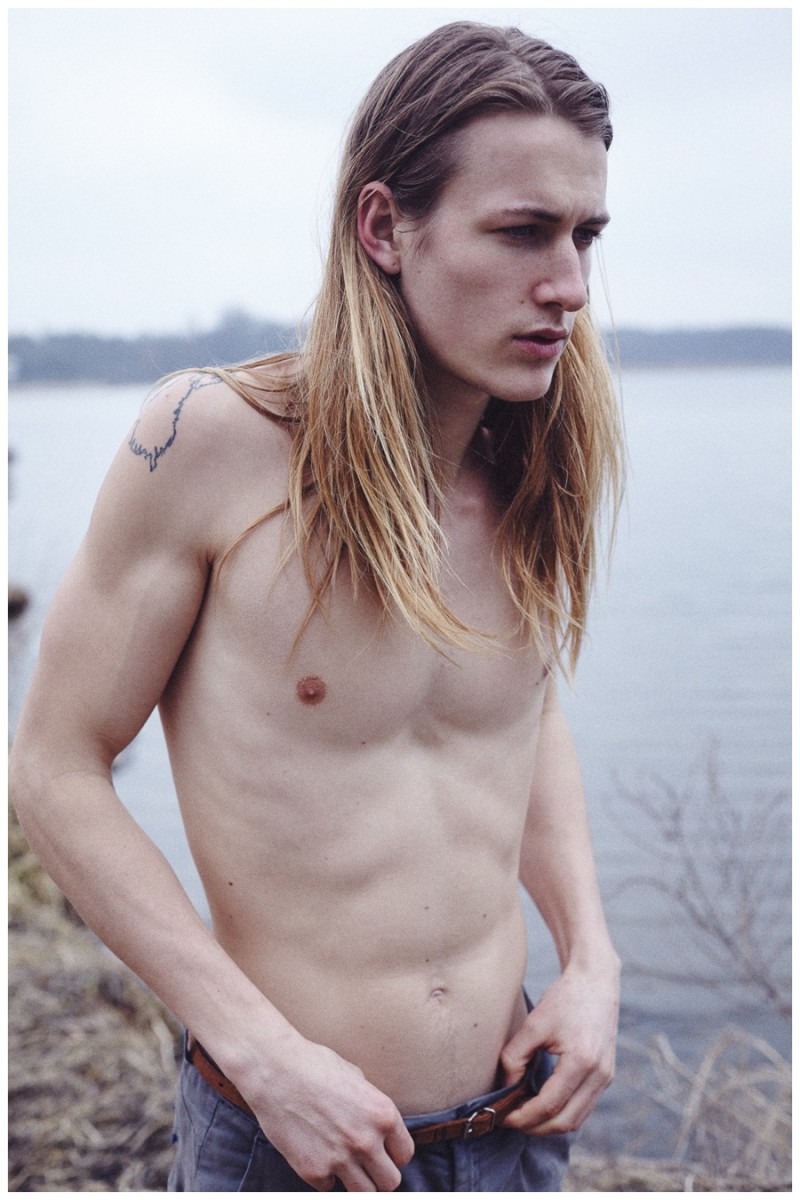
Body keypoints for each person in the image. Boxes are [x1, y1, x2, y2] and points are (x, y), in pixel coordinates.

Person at [10, 20, 624, 1193]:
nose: (569, 287)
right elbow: (53, 768)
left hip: (510, 1127)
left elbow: (514, 715)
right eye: (521, 233)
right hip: (289, 1142)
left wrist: (591, 960)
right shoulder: (209, 445)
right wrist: (260, 1052)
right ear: (383, 227)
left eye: (585, 235)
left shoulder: (533, 462)